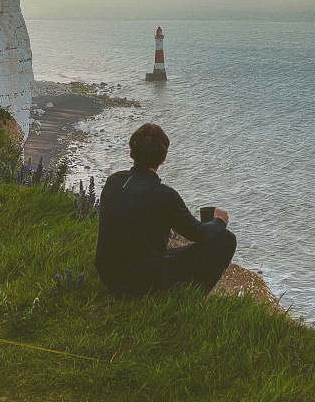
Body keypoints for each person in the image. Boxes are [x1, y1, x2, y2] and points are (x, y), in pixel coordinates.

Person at [95, 123, 237, 298]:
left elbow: (127, 213)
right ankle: (194, 297)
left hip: (110, 276)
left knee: (156, 255)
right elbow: (199, 233)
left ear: (131, 153)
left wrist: (160, 227)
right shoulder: (165, 196)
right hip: (144, 283)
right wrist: (219, 221)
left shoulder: (113, 181)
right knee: (227, 239)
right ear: (164, 157)